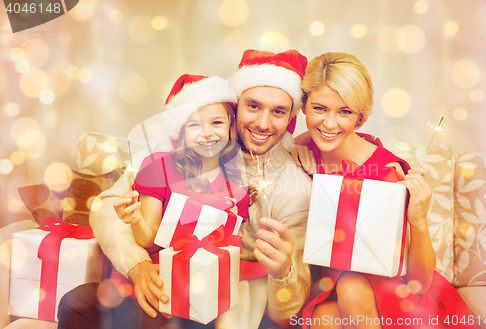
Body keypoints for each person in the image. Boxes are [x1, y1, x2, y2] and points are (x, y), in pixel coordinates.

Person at [58, 49, 312, 329]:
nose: (263, 124)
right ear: (235, 107)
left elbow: (290, 312)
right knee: (77, 303)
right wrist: (137, 265)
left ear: (290, 117)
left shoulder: (295, 186)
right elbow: (106, 208)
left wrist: (282, 271)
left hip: (232, 307)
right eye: (253, 106)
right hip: (167, 279)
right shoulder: (183, 148)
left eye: (278, 112)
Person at [291, 52, 477, 328]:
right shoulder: (306, 146)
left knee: (351, 285)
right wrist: (289, 148)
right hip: (333, 287)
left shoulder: (387, 172)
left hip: (396, 293)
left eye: (344, 112)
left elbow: (418, 282)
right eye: (320, 109)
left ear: (360, 118)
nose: (329, 124)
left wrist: (419, 219)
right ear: (304, 107)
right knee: (323, 318)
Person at [113, 74, 248, 253]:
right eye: (194, 125)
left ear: (230, 127)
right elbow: (151, 242)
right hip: (163, 269)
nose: (207, 133)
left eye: (217, 123)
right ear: (182, 132)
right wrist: (136, 220)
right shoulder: (157, 167)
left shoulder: (236, 187)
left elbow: (227, 251)